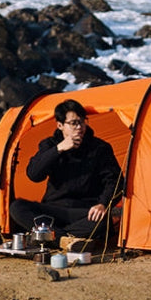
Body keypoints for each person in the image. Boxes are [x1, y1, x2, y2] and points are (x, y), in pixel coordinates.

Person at [9, 99, 123, 249]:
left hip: (84, 212)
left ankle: (47, 237)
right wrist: (58, 149)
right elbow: (34, 175)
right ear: (60, 125)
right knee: (17, 207)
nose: (80, 127)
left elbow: (116, 182)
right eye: (74, 123)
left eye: (83, 122)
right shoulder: (50, 145)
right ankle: (67, 240)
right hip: (53, 210)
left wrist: (102, 204)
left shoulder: (100, 148)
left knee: (103, 221)